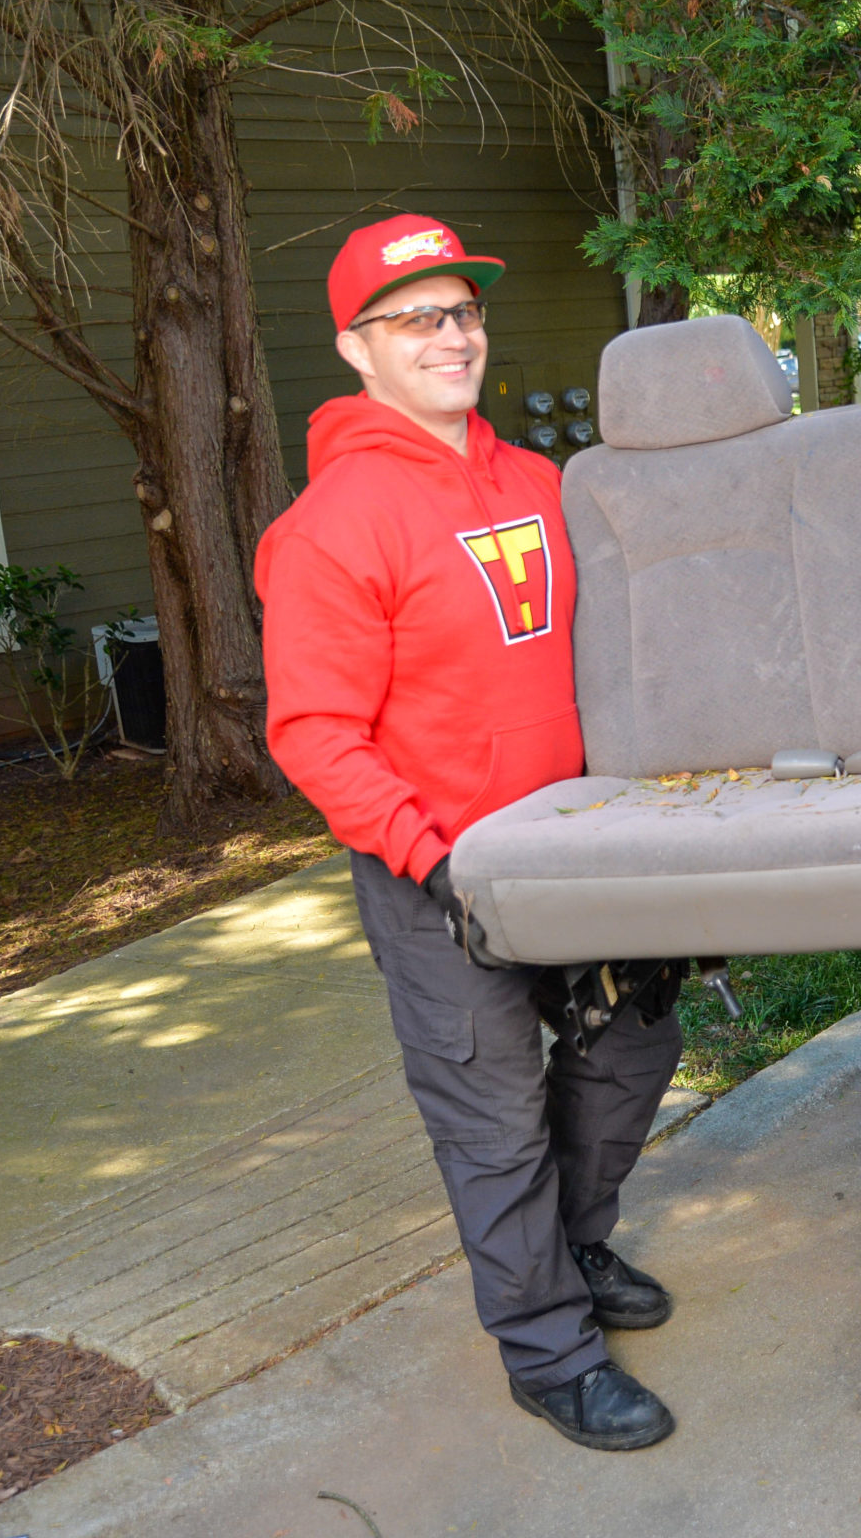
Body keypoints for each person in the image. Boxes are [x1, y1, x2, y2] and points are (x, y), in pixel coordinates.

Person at [253, 215, 683, 1452]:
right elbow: (314, 732)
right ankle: (548, 1351)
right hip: (435, 868)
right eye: (417, 318)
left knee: (633, 1041)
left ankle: (575, 1248)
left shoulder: (540, 484)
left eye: (463, 313)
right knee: (489, 1116)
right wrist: (430, 856)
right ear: (355, 348)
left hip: (574, 843)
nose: (454, 336)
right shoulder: (334, 523)